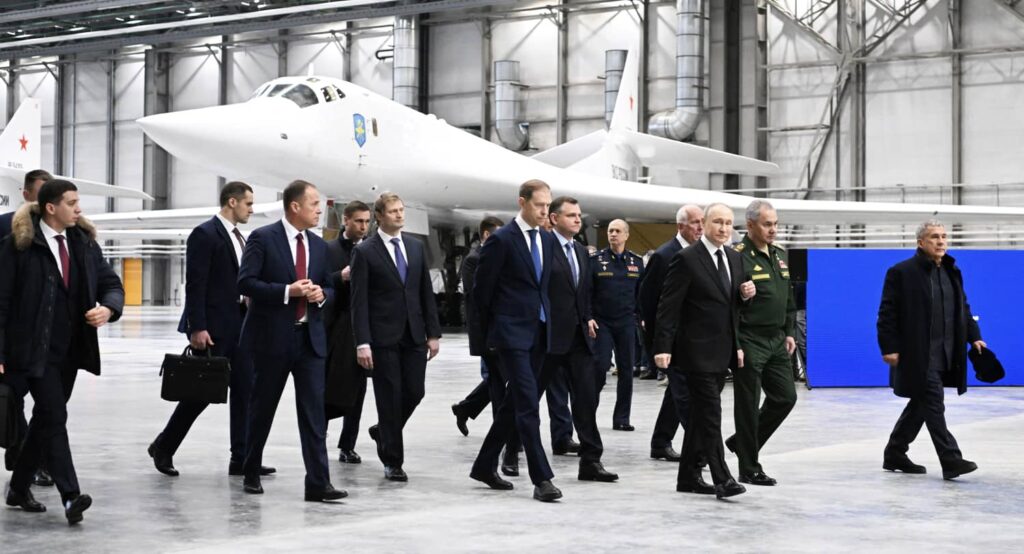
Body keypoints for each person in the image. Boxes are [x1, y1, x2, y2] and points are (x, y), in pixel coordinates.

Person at [0, 179, 124, 523]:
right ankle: (70, 496)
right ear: (51, 208)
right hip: (30, 353)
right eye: (71, 202)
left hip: (71, 351)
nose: (79, 208)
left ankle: (18, 486)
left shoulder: (83, 244)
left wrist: (109, 308)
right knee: (54, 416)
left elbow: (111, 284)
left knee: (45, 420)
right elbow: (2, 304)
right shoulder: (19, 247)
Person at [148, 182, 271, 478]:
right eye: (248, 204)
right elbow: (196, 283)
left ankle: (240, 458)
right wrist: (197, 327)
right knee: (200, 393)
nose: (252, 210)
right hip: (214, 328)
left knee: (246, 391)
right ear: (232, 202)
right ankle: (164, 446)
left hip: (241, 326)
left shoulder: (241, 237)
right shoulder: (205, 234)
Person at [237, 180, 345, 502]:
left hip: (310, 340)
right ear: (295, 207)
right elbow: (246, 282)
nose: (318, 210)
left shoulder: (320, 246)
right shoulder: (263, 238)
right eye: (314, 204)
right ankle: (251, 470)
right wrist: (289, 291)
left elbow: (330, 287)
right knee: (262, 409)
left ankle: (318, 483)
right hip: (271, 340)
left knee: (314, 414)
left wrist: (320, 294)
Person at [654, 203, 755, 500]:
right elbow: (667, 307)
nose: (724, 228)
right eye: (717, 222)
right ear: (705, 225)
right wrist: (662, 347)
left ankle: (688, 477)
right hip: (694, 353)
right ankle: (722, 477)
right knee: (711, 415)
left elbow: (730, 307)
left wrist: (745, 296)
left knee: (700, 417)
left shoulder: (735, 259)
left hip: (722, 351)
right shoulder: (686, 259)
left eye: (728, 223)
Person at [469, 179, 562, 503]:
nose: (544, 212)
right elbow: (482, 293)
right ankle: (542, 478)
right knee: (526, 404)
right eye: (539, 205)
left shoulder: (547, 241)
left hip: (539, 331)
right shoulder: (501, 241)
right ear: (522, 202)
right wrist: (487, 340)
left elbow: (543, 288)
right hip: (509, 335)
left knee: (514, 404)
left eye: (548, 206)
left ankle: (484, 465)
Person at [877, 219, 985, 480]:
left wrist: (975, 337)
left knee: (922, 403)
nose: (941, 242)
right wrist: (889, 347)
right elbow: (887, 313)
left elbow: (964, 307)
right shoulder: (901, 272)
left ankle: (895, 452)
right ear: (920, 242)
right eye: (934, 237)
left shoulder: (951, 271)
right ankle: (951, 460)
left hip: (946, 351)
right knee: (934, 402)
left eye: (944, 237)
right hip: (917, 353)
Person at [350, 192, 442, 482]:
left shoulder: (414, 247)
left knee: (415, 392)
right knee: (388, 398)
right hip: (382, 336)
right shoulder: (365, 251)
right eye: (393, 211)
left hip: (414, 334)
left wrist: (433, 332)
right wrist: (362, 342)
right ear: (380, 216)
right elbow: (359, 301)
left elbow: (424, 291)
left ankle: (383, 431)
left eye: (402, 210)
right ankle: (393, 460)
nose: (400, 215)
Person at [541, 196, 617, 482]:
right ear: (554, 219)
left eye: (578, 215)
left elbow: (583, 292)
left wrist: (587, 317)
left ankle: (591, 461)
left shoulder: (581, 251)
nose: (577, 219)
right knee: (525, 400)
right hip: (548, 337)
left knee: (586, 399)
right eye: (570, 215)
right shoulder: (544, 248)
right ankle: (510, 451)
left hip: (579, 338)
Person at [723, 200, 798, 487]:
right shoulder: (737, 256)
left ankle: (741, 442)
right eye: (767, 224)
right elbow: (730, 305)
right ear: (751, 224)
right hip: (750, 339)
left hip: (777, 339)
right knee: (747, 404)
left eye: (775, 224)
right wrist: (737, 344)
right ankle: (749, 468)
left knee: (785, 398)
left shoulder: (779, 255)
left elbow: (788, 299)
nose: (773, 229)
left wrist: (790, 331)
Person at [450, 216, 522, 476]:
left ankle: (466, 408)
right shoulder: (472, 260)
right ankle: (504, 441)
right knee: (499, 388)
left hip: (509, 332)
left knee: (504, 381)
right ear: (485, 236)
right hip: (489, 335)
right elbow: (479, 298)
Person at [0, 168, 53, 485]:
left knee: (49, 406)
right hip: (13, 330)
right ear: (26, 194)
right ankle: (24, 455)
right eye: (42, 192)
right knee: (14, 398)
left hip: (47, 334)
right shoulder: (5, 226)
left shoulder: (63, 231)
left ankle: (29, 456)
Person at [640, 204, 702, 462]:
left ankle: (660, 442)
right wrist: (658, 344)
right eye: (695, 222)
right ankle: (701, 448)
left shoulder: (699, 254)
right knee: (686, 395)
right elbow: (647, 300)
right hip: (670, 341)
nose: (700, 227)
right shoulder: (665, 255)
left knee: (675, 394)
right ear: (680, 226)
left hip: (691, 339)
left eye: (702, 221)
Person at [324, 200, 372, 465]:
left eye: (366, 221)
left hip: (360, 326)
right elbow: (318, 280)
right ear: (346, 220)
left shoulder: (371, 249)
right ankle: (319, 435)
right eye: (358, 221)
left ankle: (348, 444)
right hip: (334, 326)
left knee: (359, 387)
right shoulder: (328, 250)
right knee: (328, 383)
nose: (363, 226)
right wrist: (338, 277)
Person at [590, 219, 644, 431]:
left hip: (626, 322)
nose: (613, 234)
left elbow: (641, 292)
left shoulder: (636, 262)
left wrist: (641, 316)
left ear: (626, 235)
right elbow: (588, 291)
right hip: (602, 321)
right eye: (611, 231)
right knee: (600, 366)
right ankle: (588, 413)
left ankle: (622, 418)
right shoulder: (596, 260)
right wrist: (589, 316)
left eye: (617, 231)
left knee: (626, 370)